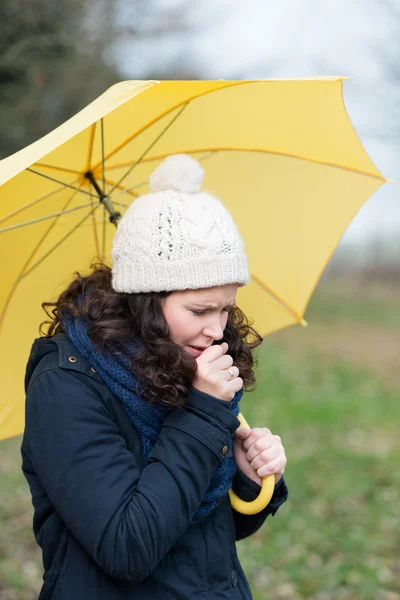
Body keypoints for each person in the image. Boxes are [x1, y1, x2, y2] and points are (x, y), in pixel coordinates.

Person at [21, 154, 288, 600]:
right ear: (146, 300)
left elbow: (205, 534)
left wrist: (247, 477)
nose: (218, 329)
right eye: (199, 310)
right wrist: (203, 416)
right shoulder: (66, 386)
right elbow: (128, 547)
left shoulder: (178, 365)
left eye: (226, 307)